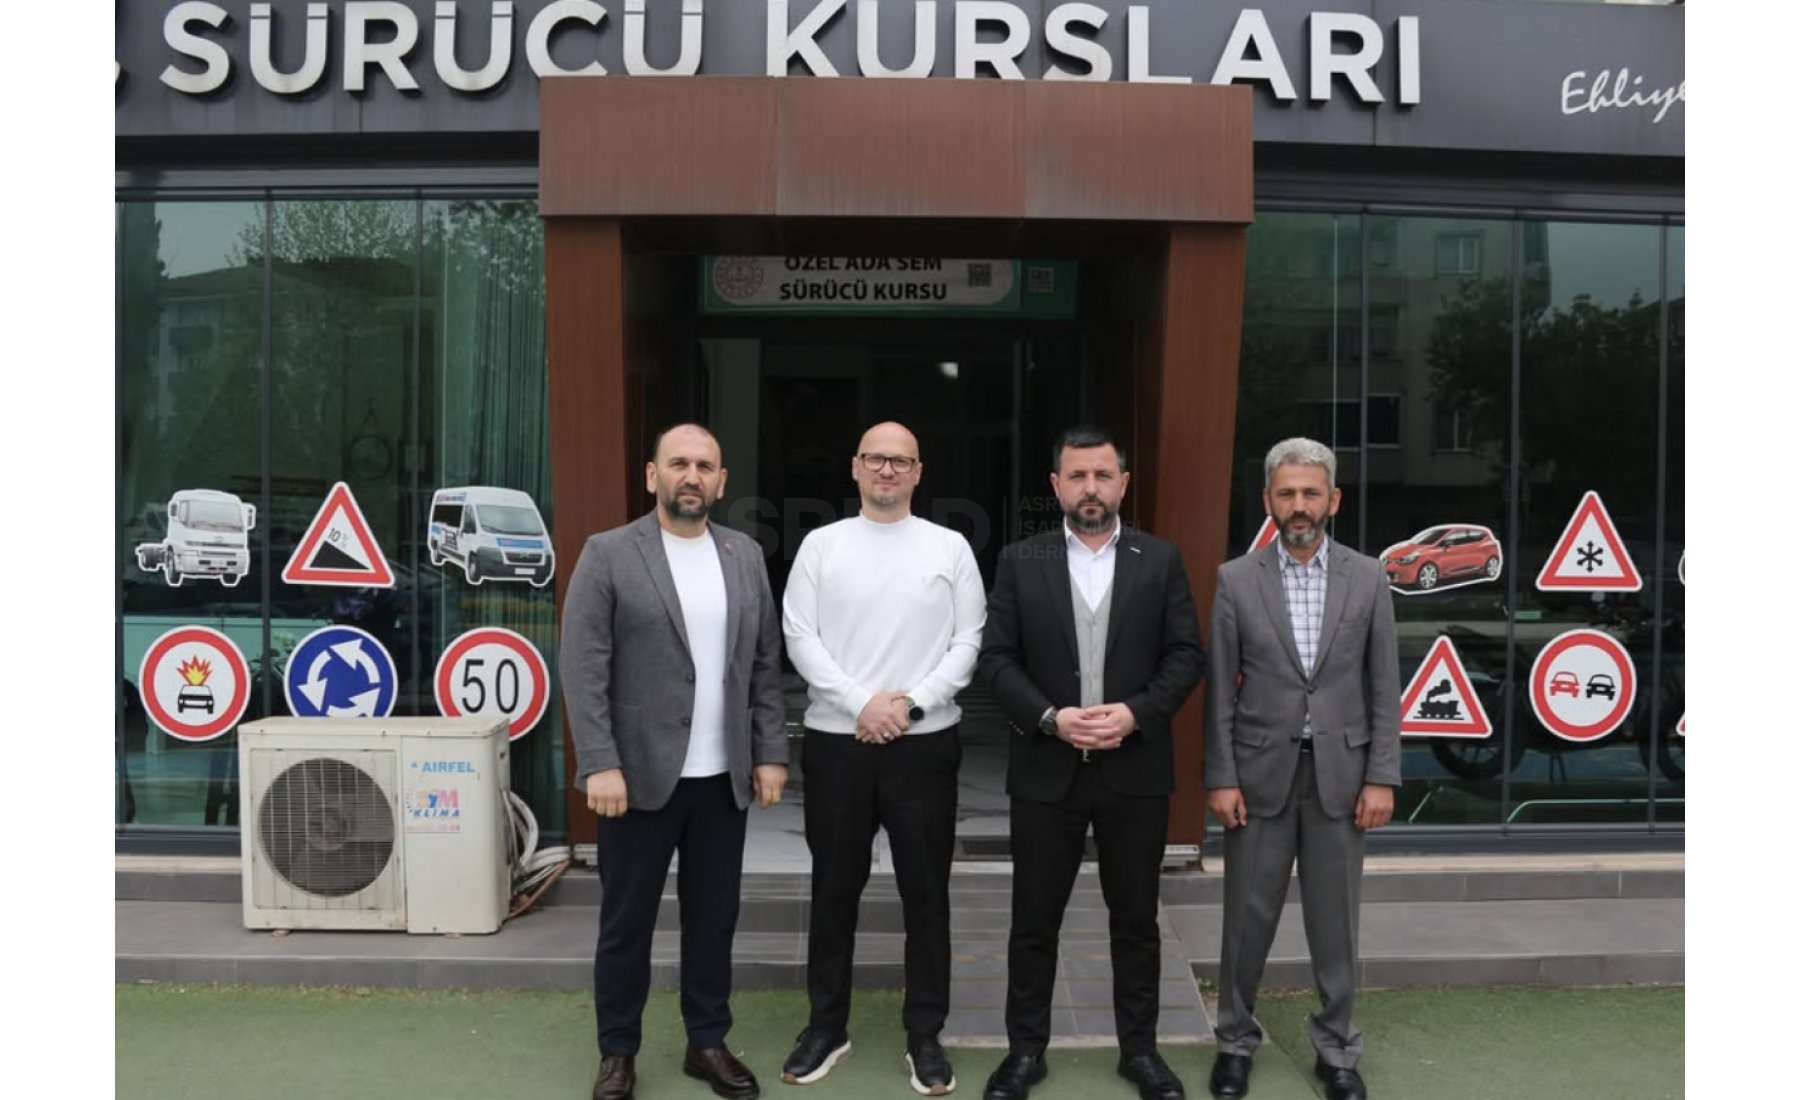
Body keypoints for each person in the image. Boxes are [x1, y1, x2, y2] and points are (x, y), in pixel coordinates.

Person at [560, 423, 790, 1100]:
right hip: (635, 780)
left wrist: (771, 752)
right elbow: (583, 666)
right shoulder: (609, 553)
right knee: (625, 924)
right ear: (652, 475)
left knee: (713, 919)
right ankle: (617, 1052)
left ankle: (706, 1042)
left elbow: (764, 665)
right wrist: (599, 762)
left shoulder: (744, 555)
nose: (692, 475)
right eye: (679, 463)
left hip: (723, 779)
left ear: (721, 481)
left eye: (705, 466)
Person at [976, 426, 1205, 1100]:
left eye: (1103, 476)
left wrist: (1136, 713)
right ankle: (1025, 1054)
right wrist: (1051, 717)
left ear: (1123, 484)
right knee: (1033, 922)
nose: (1091, 489)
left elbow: (1186, 654)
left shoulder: (1159, 559)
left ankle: (1141, 1052)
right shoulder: (1021, 560)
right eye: (1077, 476)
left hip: (1135, 772)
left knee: (1135, 921)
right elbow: (996, 658)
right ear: (1056, 486)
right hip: (1046, 772)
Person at [779, 421, 986, 1096]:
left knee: (926, 896)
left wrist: (910, 706)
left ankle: (925, 1035)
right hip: (838, 745)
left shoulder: (950, 547)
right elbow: (800, 636)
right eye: (876, 458)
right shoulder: (822, 546)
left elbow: (969, 640)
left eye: (900, 460)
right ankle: (826, 1027)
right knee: (833, 892)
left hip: (924, 747)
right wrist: (861, 704)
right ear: (856, 467)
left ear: (919, 472)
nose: (887, 470)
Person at [1202, 437, 1401, 1100]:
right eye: (1286, 493)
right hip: (1258, 778)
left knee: (1335, 923)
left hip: (1343, 779)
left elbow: (1384, 685)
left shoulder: (1368, 578)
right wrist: (1221, 776)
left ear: (1333, 499)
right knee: (1245, 920)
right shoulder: (1235, 579)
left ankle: (1337, 1052)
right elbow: (1220, 691)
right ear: (1268, 499)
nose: (1299, 505)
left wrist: (1382, 776)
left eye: (1310, 493)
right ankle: (1234, 1042)